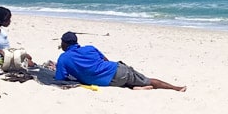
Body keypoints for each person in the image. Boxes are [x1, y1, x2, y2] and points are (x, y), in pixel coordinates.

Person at [55, 31, 186, 91]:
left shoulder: (63, 58)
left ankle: (175, 88)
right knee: (146, 80)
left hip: (108, 82)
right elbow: (106, 60)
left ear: (64, 43)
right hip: (117, 70)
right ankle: (176, 88)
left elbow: (60, 78)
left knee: (123, 81)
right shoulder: (90, 48)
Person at [0, 6, 36, 71]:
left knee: (28, 56)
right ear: (3, 19)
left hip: (7, 52)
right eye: (8, 19)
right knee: (30, 64)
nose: (10, 21)